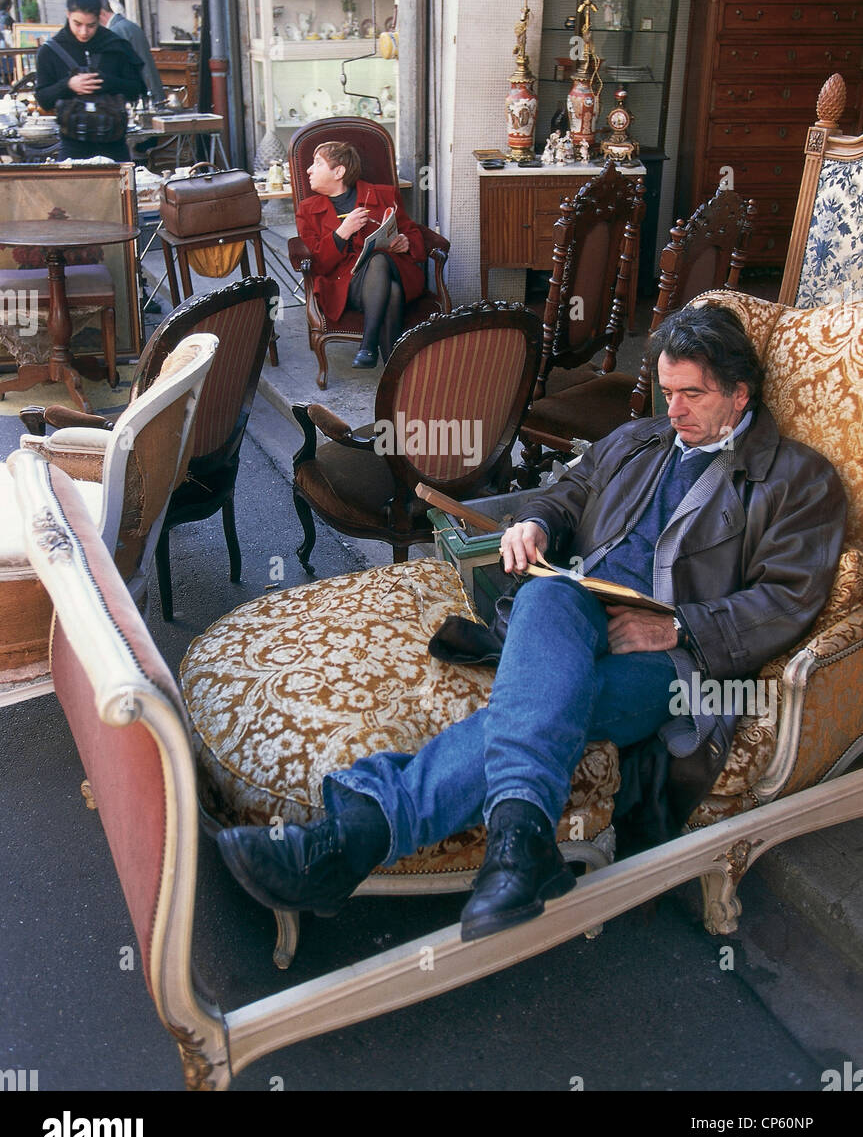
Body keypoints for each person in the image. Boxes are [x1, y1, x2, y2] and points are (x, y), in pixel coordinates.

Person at [217, 304, 847, 942]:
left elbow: (787, 601)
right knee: (549, 596)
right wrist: (537, 523)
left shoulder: (799, 482)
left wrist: (678, 627)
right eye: (666, 391)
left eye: (692, 395)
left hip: (672, 665)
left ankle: (350, 841)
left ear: (740, 395)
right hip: (571, 616)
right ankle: (520, 848)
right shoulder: (640, 439)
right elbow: (566, 492)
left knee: (534, 708)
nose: (675, 410)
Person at [295, 140, 426, 367]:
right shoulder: (307, 210)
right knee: (392, 292)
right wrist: (341, 233)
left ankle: (368, 347)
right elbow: (318, 264)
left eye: (316, 163)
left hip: (396, 271)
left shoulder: (384, 195)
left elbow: (413, 232)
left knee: (379, 259)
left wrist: (406, 242)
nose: (308, 170)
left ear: (339, 171)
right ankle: (393, 373)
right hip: (345, 285)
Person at [35, 0, 144, 162]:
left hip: (114, 146)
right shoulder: (50, 51)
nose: (84, 32)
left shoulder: (116, 46)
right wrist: (68, 85)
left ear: (100, 17)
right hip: (73, 148)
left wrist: (106, 82)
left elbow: (137, 89)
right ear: (68, 14)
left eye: (91, 25)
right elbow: (43, 99)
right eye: (77, 24)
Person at [98, 0, 165, 107]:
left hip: (143, 98)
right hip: (152, 92)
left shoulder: (115, 31)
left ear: (101, 13)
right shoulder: (128, 25)